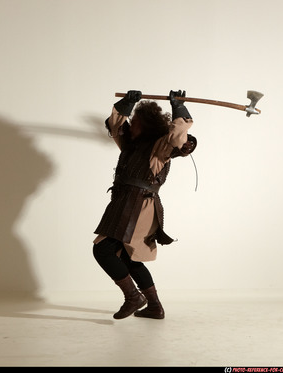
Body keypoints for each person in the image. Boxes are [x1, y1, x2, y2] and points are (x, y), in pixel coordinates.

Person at [92, 89, 197, 320]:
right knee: (129, 257)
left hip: (138, 207)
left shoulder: (160, 148)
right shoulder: (130, 144)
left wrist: (178, 106)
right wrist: (127, 103)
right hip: (125, 203)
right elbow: (115, 124)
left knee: (103, 250)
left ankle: (133, 297)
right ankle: (154, 306)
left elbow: (179, 135)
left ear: (146, 125)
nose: (132, 125)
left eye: (136, 121)